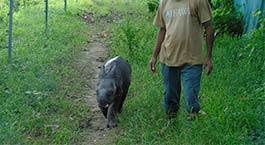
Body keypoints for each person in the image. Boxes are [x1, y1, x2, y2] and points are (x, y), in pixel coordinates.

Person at [149, 0, 215, 119]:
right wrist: (154, 56)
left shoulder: (198, 2)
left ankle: (193, 123)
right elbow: (162, 30)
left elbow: (209, 27)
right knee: (170, 97)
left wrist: (209, 57)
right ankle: (172, 121)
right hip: (168, 58)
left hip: (192, 60)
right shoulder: (164, 2)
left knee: (191, 97)